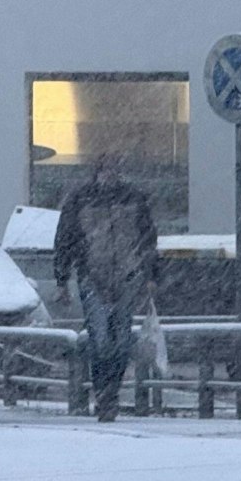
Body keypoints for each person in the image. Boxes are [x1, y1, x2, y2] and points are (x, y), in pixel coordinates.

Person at [52, 156, 160, 422]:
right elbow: (65, 240)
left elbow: (148, 240)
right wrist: (62, 279)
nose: (109, 176)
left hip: (126, 277)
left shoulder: (132, 199)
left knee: (121, 341)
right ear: (97, 173)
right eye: (105, 170)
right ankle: (104, 393)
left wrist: (150, 275)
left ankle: (109, 393)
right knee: (101, 340)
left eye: (113, 170)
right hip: (93, 276)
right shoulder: (82, 200)